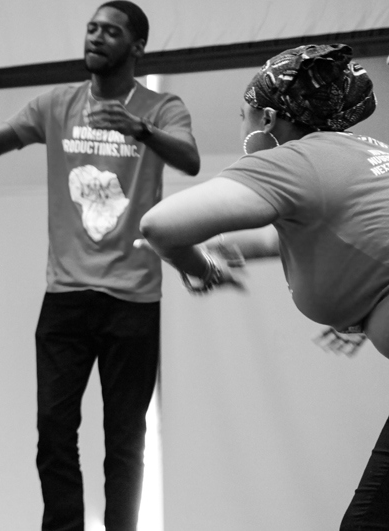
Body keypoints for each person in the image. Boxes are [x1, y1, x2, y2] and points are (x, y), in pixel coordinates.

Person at [0, 1, 200, 531]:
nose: (95, 37)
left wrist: (139, 129)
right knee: (53, 431)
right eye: (91, 28)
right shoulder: (56, 103)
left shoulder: (161, 107)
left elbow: (189, 158)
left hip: (133, 298)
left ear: (136, 46)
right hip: (65, 296)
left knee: (125, 440)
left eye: (111, 32)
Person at [139, 44, 389, 530]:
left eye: (242, 114)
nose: (241, 125)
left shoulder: (291, 161)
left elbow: (161, 226)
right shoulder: (366, 153)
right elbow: (310, 233)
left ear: (267, 118)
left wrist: (199, 265)